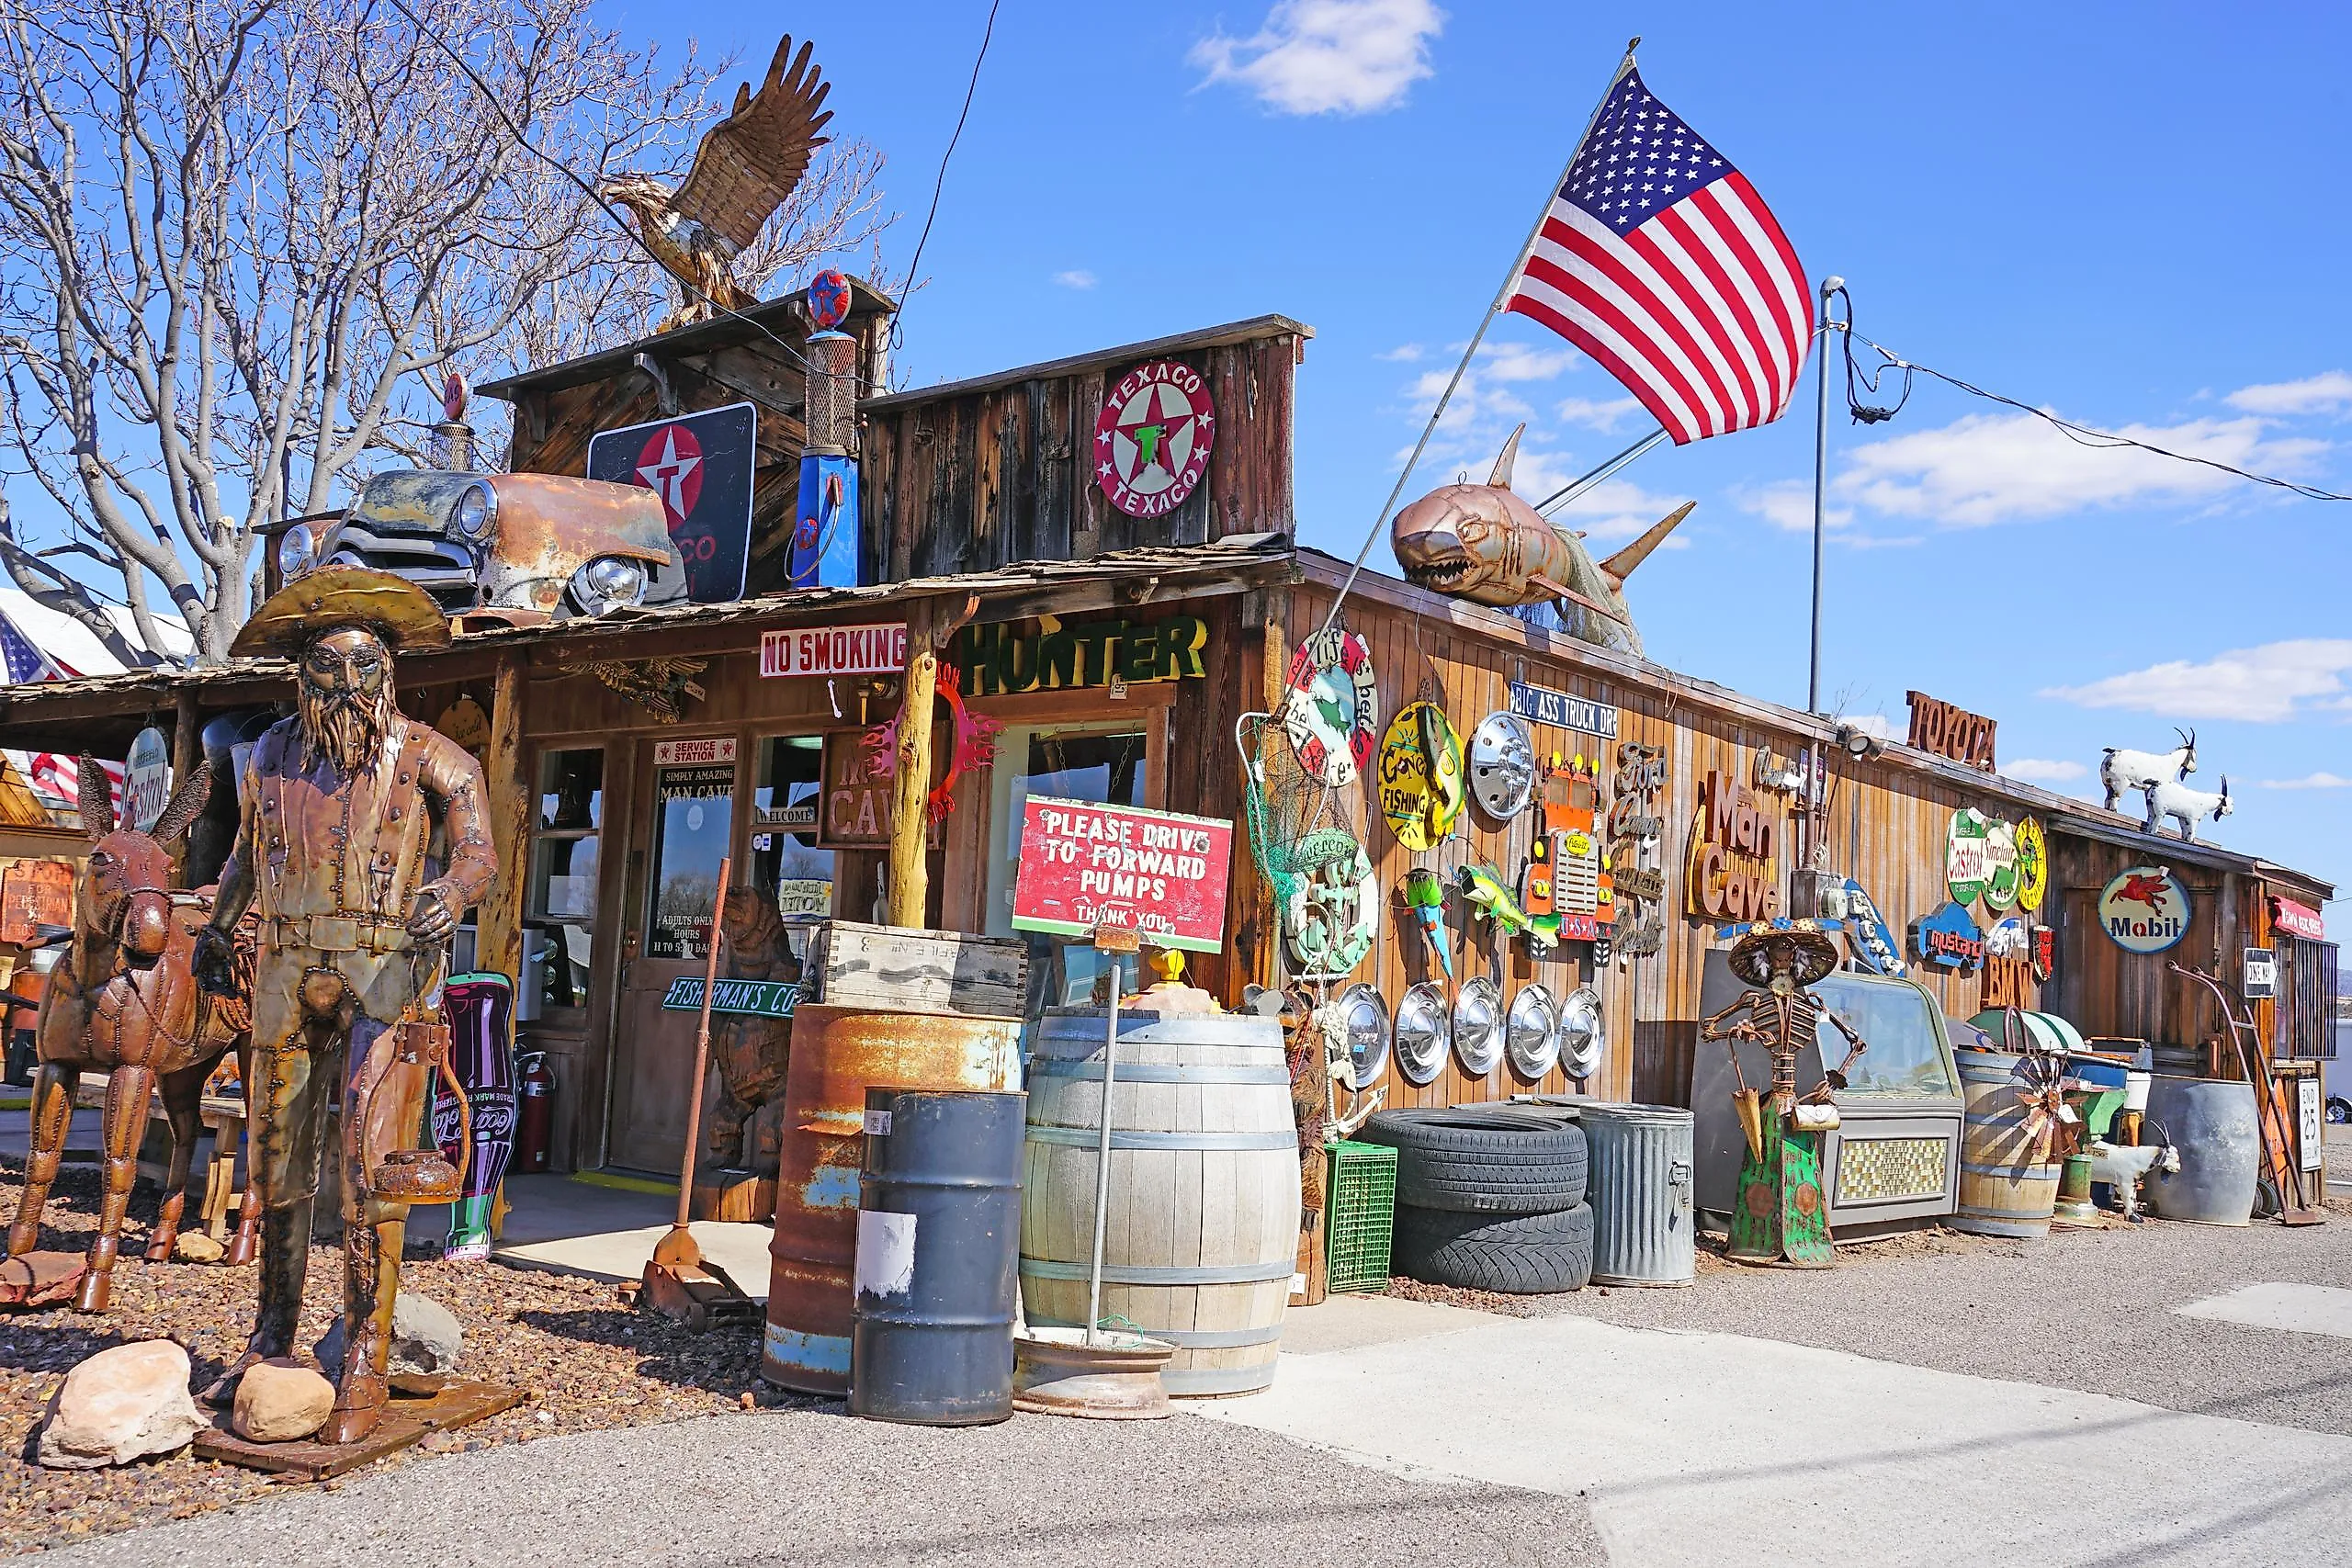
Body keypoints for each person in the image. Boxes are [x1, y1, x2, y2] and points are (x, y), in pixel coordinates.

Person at [195, 567, 496, 1443]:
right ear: (300, 673)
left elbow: (477, 846)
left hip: (388, 963)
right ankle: (272, 1338)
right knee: (277, 1154)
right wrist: (218, 929)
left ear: (388, 671)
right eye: (326, 667)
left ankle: (365, 1348)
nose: (345, 684)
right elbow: (247, 855)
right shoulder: (267, 756)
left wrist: (452, 889)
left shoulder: (435, 755)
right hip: (288, 962)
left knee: (374, 1158)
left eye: (362, 666)